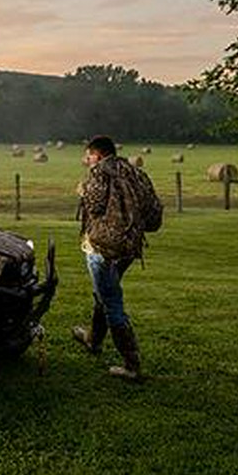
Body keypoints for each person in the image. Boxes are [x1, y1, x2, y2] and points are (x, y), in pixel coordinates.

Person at [72, 135, 145, 381]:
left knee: (111, 301)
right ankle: (93, 339)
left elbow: (93, 206)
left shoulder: (99, 173)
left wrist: (83, 191)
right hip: (129, 247)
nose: (86, 160)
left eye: (89, 155)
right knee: (103, 291)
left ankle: (131, 365)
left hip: (103, 248)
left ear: (99, 155)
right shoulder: (132, 171)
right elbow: (152, 209)